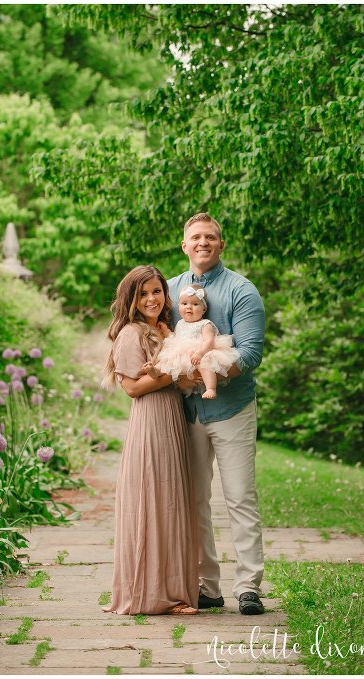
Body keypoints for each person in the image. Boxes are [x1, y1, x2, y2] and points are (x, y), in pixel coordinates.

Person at [167, 212, 266, 616]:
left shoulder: (242, 291)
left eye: (211, 237)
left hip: (233, 409)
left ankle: (249, 587)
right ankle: (207, 585)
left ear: (221, 245)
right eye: (196, 237)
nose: (203, 242)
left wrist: (203, 372)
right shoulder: (168, 289)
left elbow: (251, 352)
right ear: (185, 245)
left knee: (240, 497)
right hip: (185, 412)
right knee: (195, 501)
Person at [100, 265, 199, 616]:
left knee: (172, 500)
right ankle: (153, 593)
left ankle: (173, 590)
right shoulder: (132, 333)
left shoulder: (166, 329)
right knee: (154, 498)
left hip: (172, 416)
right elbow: (131, 388)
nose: (152, 298)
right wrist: (174, 372)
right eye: (143, 294)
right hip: (150, 419)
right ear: (132, 299)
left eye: (156, 291)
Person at [152, 284, 240, 399]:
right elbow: (175, 338)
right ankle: (155, 371)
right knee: (167, 360)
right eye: (184, 304)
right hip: (182, 354)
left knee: (205, 364)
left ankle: (211, 388)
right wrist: (165, 330)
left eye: (195, 304)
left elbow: (209, 341)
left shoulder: (205, 324)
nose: (189, 307)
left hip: (200, 352)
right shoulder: (180, 323)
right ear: (179, 306)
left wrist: (200, 353)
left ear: (204, 309)